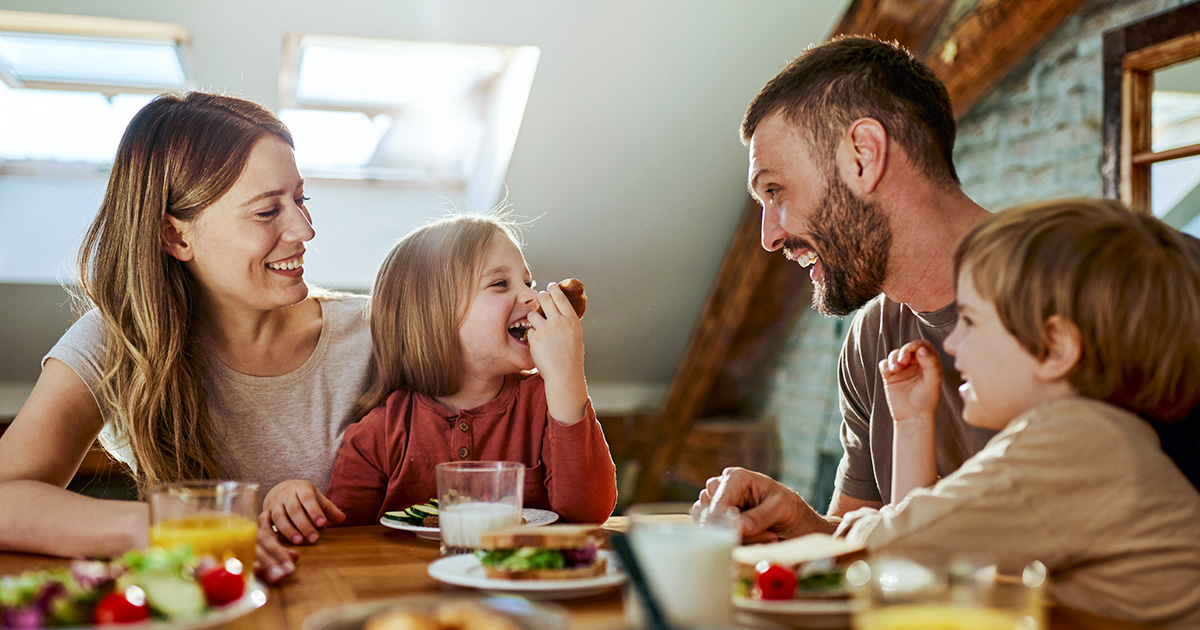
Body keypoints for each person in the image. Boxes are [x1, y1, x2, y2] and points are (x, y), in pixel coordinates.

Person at [0, 92, 371, 583]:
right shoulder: (121, 341)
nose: (304, 230)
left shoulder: (374, 332)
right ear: (175, 236)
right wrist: (170, 527)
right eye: (266, 212)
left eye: (300, 199)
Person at [840, 198, 1200, 627]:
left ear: (1055, 347)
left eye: (970, 322)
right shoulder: (1104, 437)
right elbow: (924, 568)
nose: (951, 345)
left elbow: (898, 549)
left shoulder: (1077, 444)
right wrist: (914, 425)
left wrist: (856, 529)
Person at [696, 35, 995, 541]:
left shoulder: (1074, 292)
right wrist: (801, 524)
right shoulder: (873, 337)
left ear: (863, 156)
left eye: (775, 191)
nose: (769, 237)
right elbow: (869, 543)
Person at [266, 212, 618, 527]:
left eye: (528, 282)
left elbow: (588, 513)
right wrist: (295, 502)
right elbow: (343, 536)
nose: (532, 297)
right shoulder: (381, 434)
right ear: (433, 316)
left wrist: (566, 379)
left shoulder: (547, 402)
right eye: (500, 284)